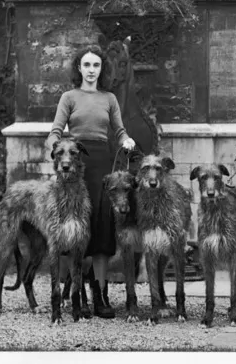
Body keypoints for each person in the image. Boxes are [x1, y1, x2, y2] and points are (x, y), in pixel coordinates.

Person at [46, 45, 136, 319]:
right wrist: (56, 149)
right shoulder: (69, 97)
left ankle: (101, 293)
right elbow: (55, 131)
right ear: (79, 68)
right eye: (86, 65)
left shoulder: (109, 98)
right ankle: (78, 293)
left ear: (102, 69)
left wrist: (126, 140)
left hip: (102, 163)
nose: (91, 70)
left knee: (102, 225)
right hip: (75, 163)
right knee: (78, 226)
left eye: (96, 65)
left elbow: (119, 131)